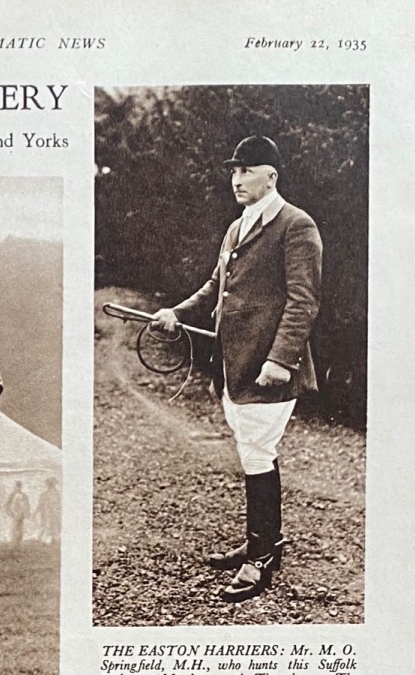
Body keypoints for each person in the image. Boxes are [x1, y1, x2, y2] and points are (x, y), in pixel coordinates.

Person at [152, 135, 322, 602]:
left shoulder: (296, 225)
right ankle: (261, 542)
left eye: (247, 170)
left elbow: (303, 302)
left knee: (257, 452)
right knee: (253, 452)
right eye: (233, 171)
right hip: (235, 367)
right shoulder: (236, 228)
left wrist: (279, 360)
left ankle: (262, 556)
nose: (237, 178)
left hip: (269, 370)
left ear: (272, 175)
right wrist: (177, 313)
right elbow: (215, 287)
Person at [6, 480, 30, 547]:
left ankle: (19, 545)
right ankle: (13, 545)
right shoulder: (12, 495)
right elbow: (6, 505)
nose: (18, 488)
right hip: (14, 515)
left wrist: (27, 513)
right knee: (13, 530)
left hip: (21, 515)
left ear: (21, 487)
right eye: (17, 486)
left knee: (20, 530)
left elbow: (27, 505)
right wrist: (10, 513)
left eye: (19, 486)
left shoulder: (24, 495)